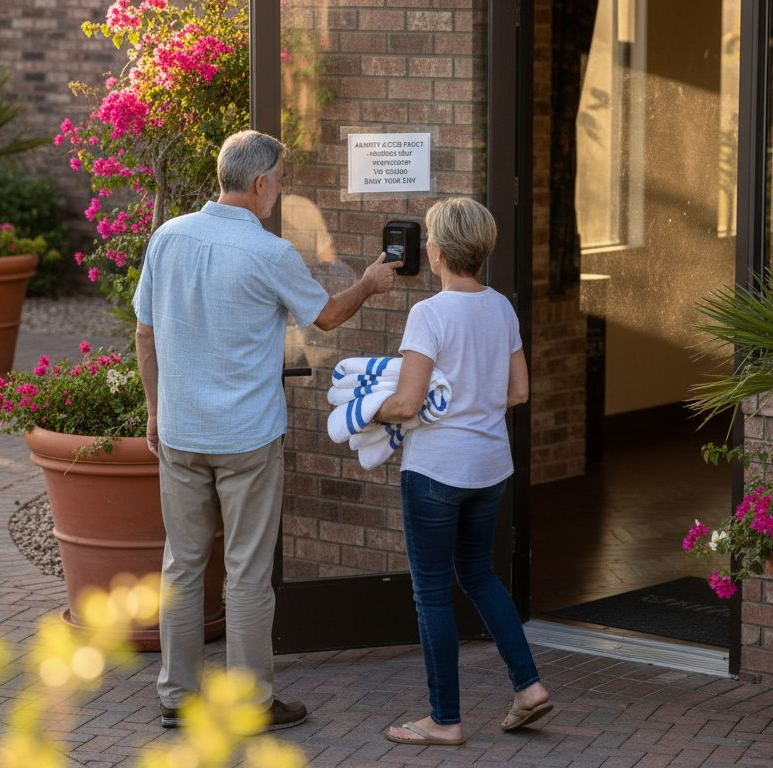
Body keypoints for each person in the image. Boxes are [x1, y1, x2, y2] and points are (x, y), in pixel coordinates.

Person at [133, 130, 401, 731]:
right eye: (278, 180)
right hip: (247, 438)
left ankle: (177, 696)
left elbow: (145, 333)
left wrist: (154, 410)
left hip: (179, 431)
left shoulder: (167, 238)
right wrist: (369, 283)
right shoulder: (267, 252)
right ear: (259, 184)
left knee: (181, 564)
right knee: (247, 571)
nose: (280, 191)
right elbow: (327, 315)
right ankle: (253, 703)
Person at [374, 197, 551, 746]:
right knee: (478, 575)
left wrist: (360, 411)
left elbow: (406, 404)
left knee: (431, 592)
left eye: (428, 237)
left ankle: (444, 719)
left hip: (436, 471)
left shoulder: (428, 314)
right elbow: (518, 392)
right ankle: (529, 688)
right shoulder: (501, 307)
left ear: (439, 252)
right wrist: (473, 399)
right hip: (490, 466)